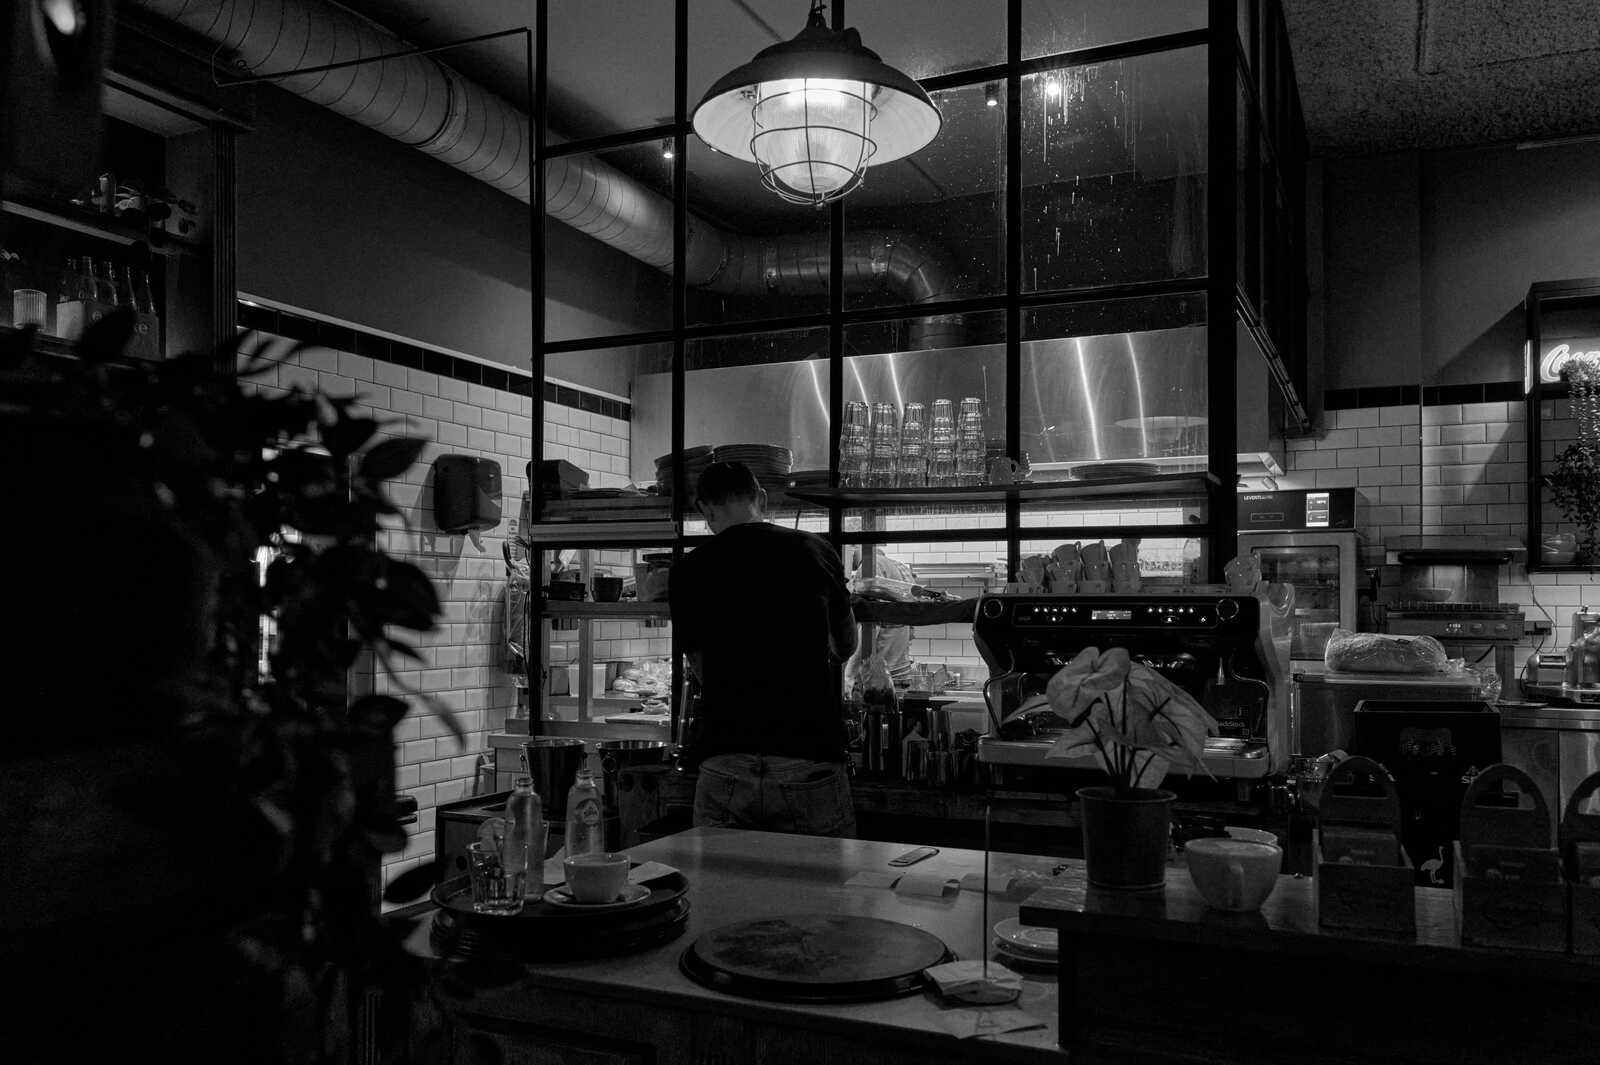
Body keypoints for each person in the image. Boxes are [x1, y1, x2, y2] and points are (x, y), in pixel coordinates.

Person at [670, 461, 859, 836]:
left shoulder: (689, 569)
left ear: (705, 509)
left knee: (723, 891)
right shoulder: (814, 549)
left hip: (725, 758)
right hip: (807, 755)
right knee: (823, 890)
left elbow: (700, 667)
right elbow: (846, 645)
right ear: (761, 498)